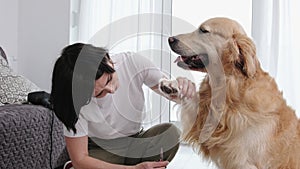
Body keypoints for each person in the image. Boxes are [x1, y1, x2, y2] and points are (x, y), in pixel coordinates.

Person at [51, 43, 196, 169]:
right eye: (99, 93)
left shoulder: (132, 62)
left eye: (109, 80)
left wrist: (183, 89)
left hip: (136, 140)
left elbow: (168, 90)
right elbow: (80, 159)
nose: (112, 90)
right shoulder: (74, 101)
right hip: (102, 150)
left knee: (171, 133)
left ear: (108, 59)